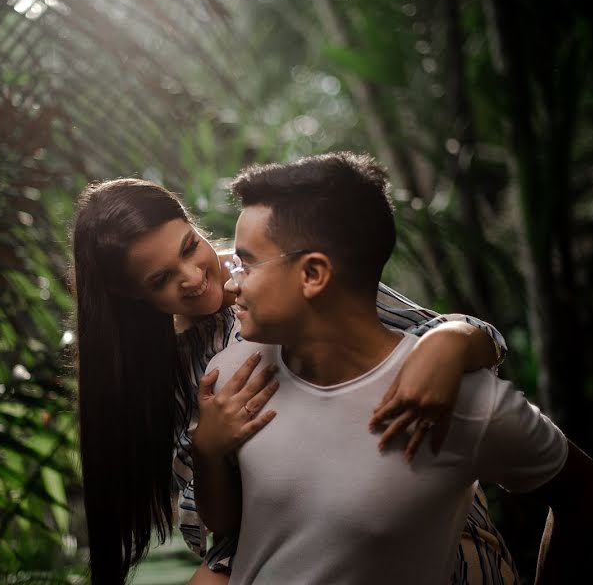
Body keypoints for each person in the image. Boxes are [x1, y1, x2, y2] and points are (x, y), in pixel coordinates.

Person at [71, 178, 513, 584]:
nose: (191, 277)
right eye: (161, 279)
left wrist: (451, 341)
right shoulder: (169, 370)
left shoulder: (280, 271)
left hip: (409, 512)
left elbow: (473, 342)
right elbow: (225, 528)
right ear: (132, 295)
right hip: (293, 541)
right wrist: (210, 448)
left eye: (190, 247)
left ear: (191, 222)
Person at [192, 152, 593, 584]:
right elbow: (227, 524)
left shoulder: (456, 398)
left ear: (313, 273)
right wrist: (207, 451)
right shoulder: (234, 375)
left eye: (247, 263)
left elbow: (583, 491)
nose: (231, 282)